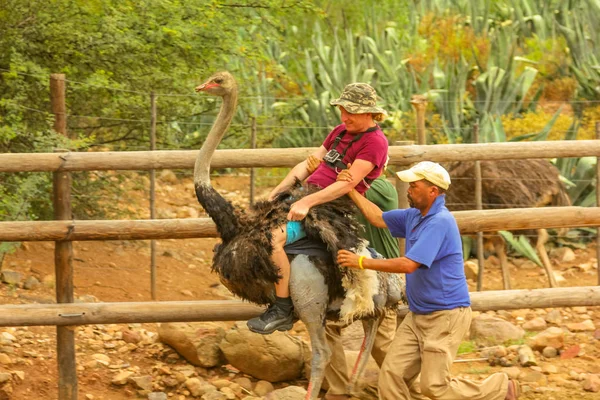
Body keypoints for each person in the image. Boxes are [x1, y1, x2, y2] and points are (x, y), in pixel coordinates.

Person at [336, 161, 520, 400]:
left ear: (433, 191)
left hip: (445, 316)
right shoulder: (414, 216)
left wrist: (361, 262)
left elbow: (408, 265)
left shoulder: (439, 222)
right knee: (391, 375)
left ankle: (498, 389)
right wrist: (350, 188)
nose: (409, 190)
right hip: (418, 315)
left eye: (414, 186)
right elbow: (377, 217)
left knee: (434, 387)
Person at [247, 82, 389, 335]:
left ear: (369, 113)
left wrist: (307, 203)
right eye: (342, 110)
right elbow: (306, 165)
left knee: (272, 239)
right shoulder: (339, 131)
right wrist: (278, 192)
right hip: (304, 195)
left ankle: (281, 309)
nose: (345, 117)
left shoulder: (375, 143)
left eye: (351, 112)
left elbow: (347, 185)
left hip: (328, 209)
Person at [304, 155, 400, 400]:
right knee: (328, 326)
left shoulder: (382, 187)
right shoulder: (342, 183)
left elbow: (343, 188)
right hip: (351, 274)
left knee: (382, 343)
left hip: (382, 276)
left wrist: (328, 176)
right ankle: (339, 391)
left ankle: (417, 388)